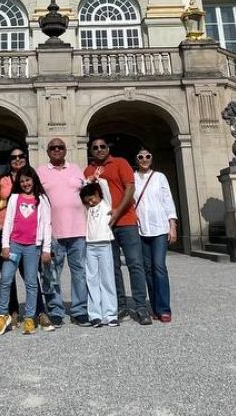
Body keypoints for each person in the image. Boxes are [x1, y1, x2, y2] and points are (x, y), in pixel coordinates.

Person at [84, 135, 151, 325]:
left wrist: (117, 212)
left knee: (135, 264)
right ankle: (119, 304)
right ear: (91, 151)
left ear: (108, 148)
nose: (99, 149)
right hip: (104, 227)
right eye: (95, 147)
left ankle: (140, 306)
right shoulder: (88, 170)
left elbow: (130, 189)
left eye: (102, 146)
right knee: (112, 267)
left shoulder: (120, 162)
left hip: (126, 220)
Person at [0, 167, 51, 336]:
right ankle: (3, 315)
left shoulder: (42, 199)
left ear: (34, 180)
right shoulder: (14, 198)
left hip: (33, 246)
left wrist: (46, 249)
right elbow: (8, 221)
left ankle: (30, 317)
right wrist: (5, 245)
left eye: (28, 180)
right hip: (14, 244)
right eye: (22, 181)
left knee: (32, 282)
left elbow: (47, 225)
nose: (25, 183)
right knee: (6, 279)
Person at [37, 136, 89, 328]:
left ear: (65, 150)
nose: (57, 150)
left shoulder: (76, 169)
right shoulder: (40, 172)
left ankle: (79, 310)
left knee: (80, 272)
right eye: (53, 148)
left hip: (78, 230)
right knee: (51, 273)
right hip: (53, 232)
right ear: (48, 152)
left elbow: (89, 194)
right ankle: (56, 310)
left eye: (60, 147)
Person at [134, 148, 178, 323]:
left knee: (159, 266)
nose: (144, 159)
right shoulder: (132, 177)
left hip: (160, 227)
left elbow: (168, 200)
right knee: (147, 269)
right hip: (140, 228)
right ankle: (154, 307)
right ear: (136, 159)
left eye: (147, 156)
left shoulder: (160, 177)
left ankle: (164, 308)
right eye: (141, 157)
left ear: (151, 159)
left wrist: (172, 225)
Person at [80, 175, 116, 327]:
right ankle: (95, 314)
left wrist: (95, 180)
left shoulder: (106, 204)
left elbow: (105, 187)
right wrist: (86, 183)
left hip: (105, 244)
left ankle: (110, 313)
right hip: (90, 246)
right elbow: (82, 189)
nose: (91, 201)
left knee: (107, 279)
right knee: (92, 279)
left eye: (93, 197)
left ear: (98, 195)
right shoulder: (88, 208)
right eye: (87, 199)